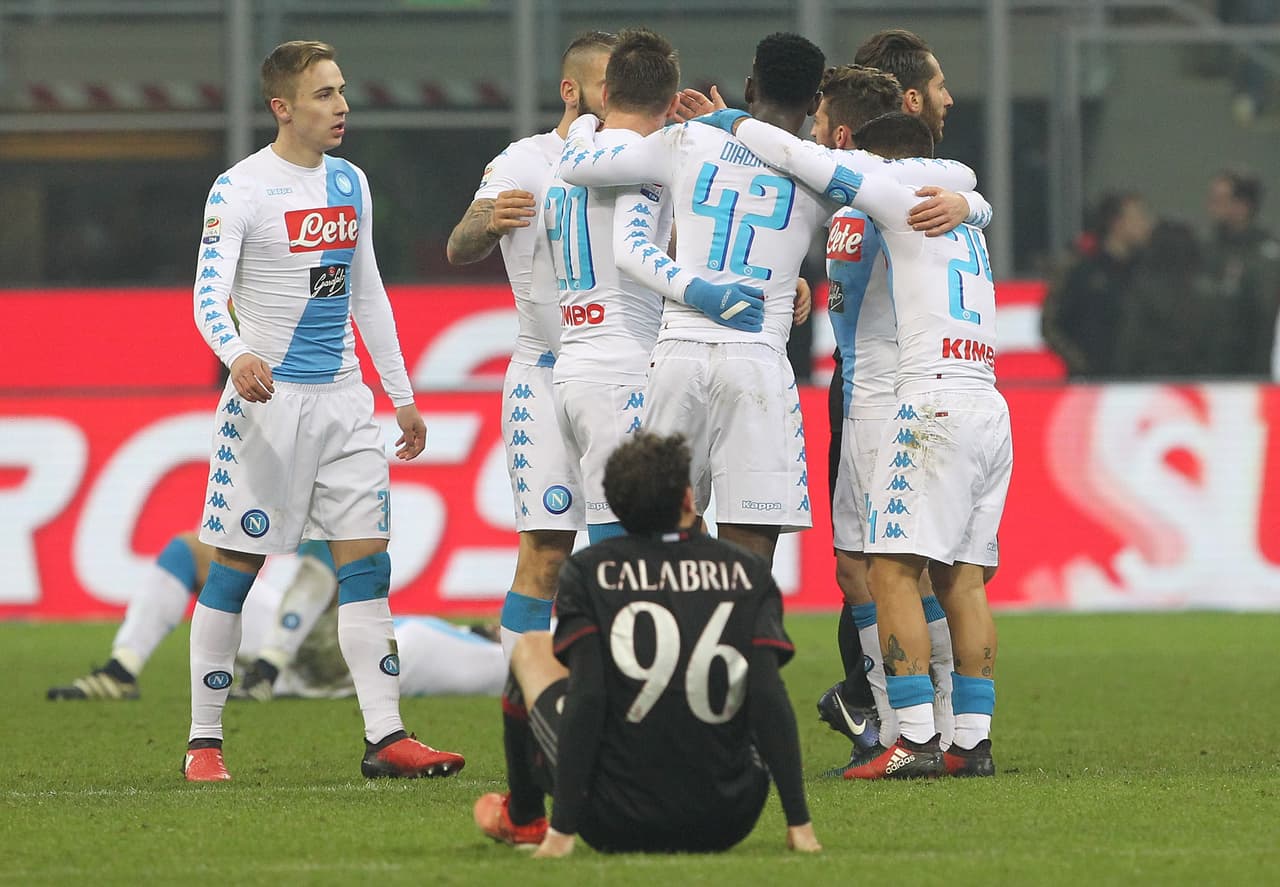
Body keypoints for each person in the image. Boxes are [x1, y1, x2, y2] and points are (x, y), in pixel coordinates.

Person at [699, 108, 1011, 779]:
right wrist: (977, 203)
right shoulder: (960, 209)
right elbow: (969, 186)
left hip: (931, 403)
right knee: (963, 580)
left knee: (888, 570)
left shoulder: (894, 192)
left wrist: (727, 117)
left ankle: (916, 739)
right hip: (990, 400)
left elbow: (800, 157)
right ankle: (972, 742)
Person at [184, 40, 462, 782]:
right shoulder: (238, 188)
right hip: (267, 405)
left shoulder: (351, 182)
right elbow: (207, 293)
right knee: (237, 567)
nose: (342, 107)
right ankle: (204, 741)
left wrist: (400, 396)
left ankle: (386, 736)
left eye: (342, 91)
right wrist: (238, 351)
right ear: (283, 107)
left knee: (367, 564)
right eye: (324, 94)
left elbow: (367, 293)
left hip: (345, 403)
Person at [555, 32, 832, 566]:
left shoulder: (680, 144)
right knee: (746, 544)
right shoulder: (811, 163)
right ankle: (736, 643)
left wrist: (586, 125)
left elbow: (582, 171)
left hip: (652, 353)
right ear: (815, 103)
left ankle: (664, 642)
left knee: (651, 535)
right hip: (737, 356)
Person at [473, 432, 820, 856]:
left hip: (611, 820)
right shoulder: (745, 569)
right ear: (689, 500)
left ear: (616, 508)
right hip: (728, 816)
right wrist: (799, 823)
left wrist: (564, 830)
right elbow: (768, 696)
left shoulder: (589, 570)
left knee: (530, 649)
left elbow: (589, 696)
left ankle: (525, 818)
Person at [808, 55, 992, 771]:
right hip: (902, 389)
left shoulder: (880, 198)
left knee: (878, 568)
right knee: (918, 571)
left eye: (824, 123)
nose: (817, 134)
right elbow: (968, 189)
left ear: (846, 133)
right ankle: (940, 728)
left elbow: (959, 185)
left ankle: (906, 727)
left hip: (887, 394)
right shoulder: (877, 203)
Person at [542, 28, 763, 547]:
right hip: (624, 370)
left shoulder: (574, 156)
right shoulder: (641, 158)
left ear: (608, 92)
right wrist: (704, 293)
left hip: (575, 368)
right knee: (630, 546)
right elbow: (633, 248)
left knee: (643, 532)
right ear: (669, 101)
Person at [446, 32, 616, 660]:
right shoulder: (526, 159)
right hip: (542, 374)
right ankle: (531, 709)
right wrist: (488, 222)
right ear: (571, 90)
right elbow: (458, 245)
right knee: (545, 551)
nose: (618, 97)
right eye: (607, 84)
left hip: (622, 372)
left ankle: (621, 705)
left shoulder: (646, 156)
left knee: (621, 548)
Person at [1040, 191, 1153, 379]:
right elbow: (1051, 325)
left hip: (1137, 387)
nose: (1145, 225)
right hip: (1091, 385)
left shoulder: (1145, 272)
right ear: (1117, 223)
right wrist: (1081, 364)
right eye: (1138, 217)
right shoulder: (1081, 271)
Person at [1113, 219, 1220, 378]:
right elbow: (1218, 348)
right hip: (1197, 384)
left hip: (1150, 384)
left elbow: (1129, 345)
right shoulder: (1208, 296)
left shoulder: (1144, 292)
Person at [1205, 169, 1280, 376]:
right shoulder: (1207, 250)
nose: (1212, 205)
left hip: (1249, 369)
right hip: (1208, 367)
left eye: (1220, 199)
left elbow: (1265, 317)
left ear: (1242, 205)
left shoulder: (1267, 255)